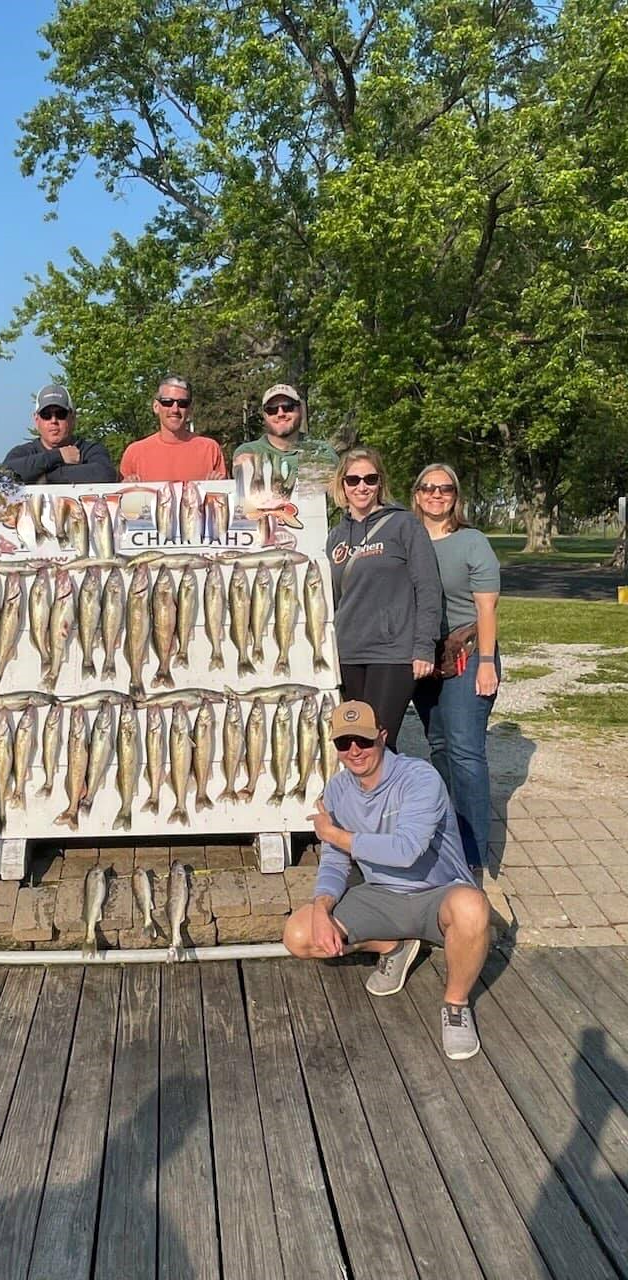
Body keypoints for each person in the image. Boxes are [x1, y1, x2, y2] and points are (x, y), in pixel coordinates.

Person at [283, 701, 489, 1060]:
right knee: (298, 936)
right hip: (380, 895)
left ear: (382, 736)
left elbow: (406, 850)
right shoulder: (336, 791)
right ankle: (393, 946)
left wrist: (334, 835)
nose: (354, 751)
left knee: (472, 907)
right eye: (343, 743)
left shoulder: (420, 778)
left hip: (436, 893)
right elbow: (335, 859)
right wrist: (321, 906)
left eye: (362, 740)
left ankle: (456, 1005)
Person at [411, 463, 501, 878]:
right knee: (440, 748)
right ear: (417, 494)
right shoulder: (407, 538)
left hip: (466, 656)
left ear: (455, 496)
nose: (436, 495)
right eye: (428, 488)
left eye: (445, 489)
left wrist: (486, 663)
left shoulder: (472, 541)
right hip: (425, 657)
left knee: (466, 752)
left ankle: (472, 856)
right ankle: (446, 836)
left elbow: (487, 607)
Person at [326, 446, 442, 750]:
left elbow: (428, 587)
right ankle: (364, 799)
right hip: (349, 653)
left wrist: (424, 647)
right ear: (342, 485)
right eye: (353, 480)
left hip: (392, 653)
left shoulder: (404, 525)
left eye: (370, 479)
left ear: (380, 483)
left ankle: (389, 798)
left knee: (378, 739)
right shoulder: (336, 536)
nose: (361, 486)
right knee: (353, 743)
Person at [232, 383, 338, 495]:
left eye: (288, 407)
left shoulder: (322, 450)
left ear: (300, 410)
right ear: (264, 415)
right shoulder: (248, 451)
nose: (280, 413)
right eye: (272, 409)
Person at [119, 376, 227, 483]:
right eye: (167, 402)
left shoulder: (210, 449)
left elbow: (225, 496)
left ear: (189, 409)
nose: (175, 409)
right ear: (156, 406)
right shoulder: (134, 453)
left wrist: (217, 486)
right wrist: (127, 488)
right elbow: (119, 496)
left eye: (182, 403)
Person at [2, 384, 116, 484]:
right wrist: (58, 456)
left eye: (60, 414)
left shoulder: (90, 451)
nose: (53, 420)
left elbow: (106, 474)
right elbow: (4, 476)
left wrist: (44, 477)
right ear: (36, 420)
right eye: (46, 415)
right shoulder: (22, 453)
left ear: (72, 418)